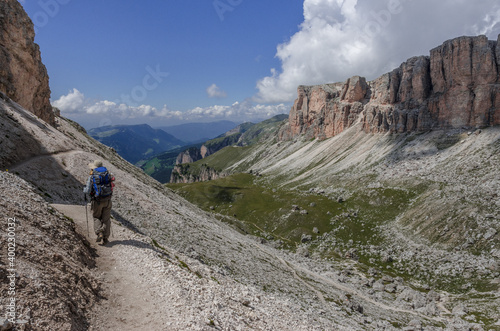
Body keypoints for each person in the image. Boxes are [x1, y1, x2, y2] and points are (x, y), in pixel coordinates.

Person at [83, 160, 115, 245]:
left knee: (96, 217)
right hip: (108, 200)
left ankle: (99, 232)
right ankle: (105, 238)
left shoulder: (93, 176)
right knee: (106, 219)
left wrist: (84, 189)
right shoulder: (107, 174)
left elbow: (87, 190)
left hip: (97, 201)